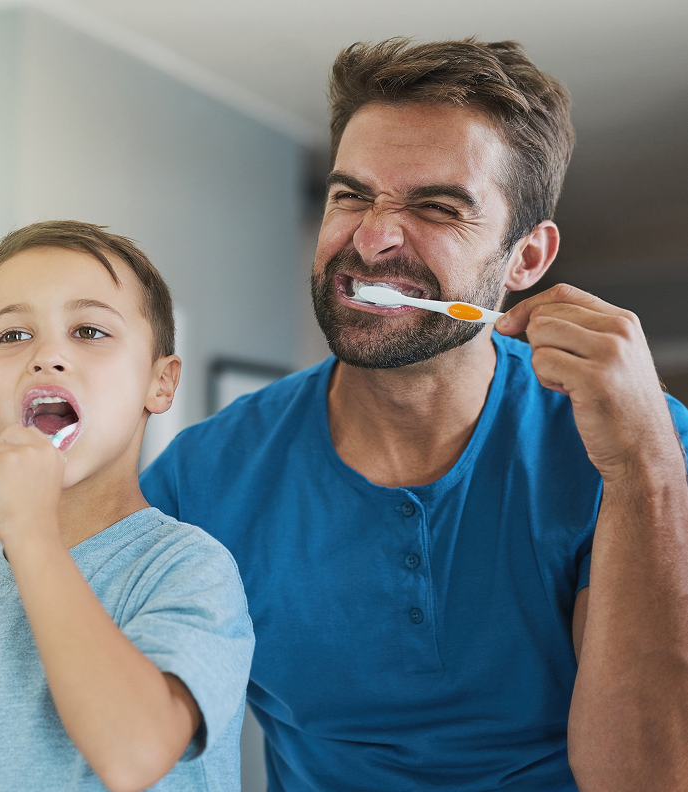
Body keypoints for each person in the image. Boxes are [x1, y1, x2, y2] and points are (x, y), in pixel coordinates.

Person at [140, 38, 688, 791]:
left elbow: (644, 778)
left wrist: (646, 473)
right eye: (350, 194)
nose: (371, 237)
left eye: (434, 206)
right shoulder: (199, 480)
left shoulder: (646, 446)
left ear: (525, 258)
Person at [0, 221, 254, 792]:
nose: (47, 356)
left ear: (160, 383)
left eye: (89, 330)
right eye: (12, 336)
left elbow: (134, 754)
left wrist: (32, 534)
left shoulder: (189, 571)